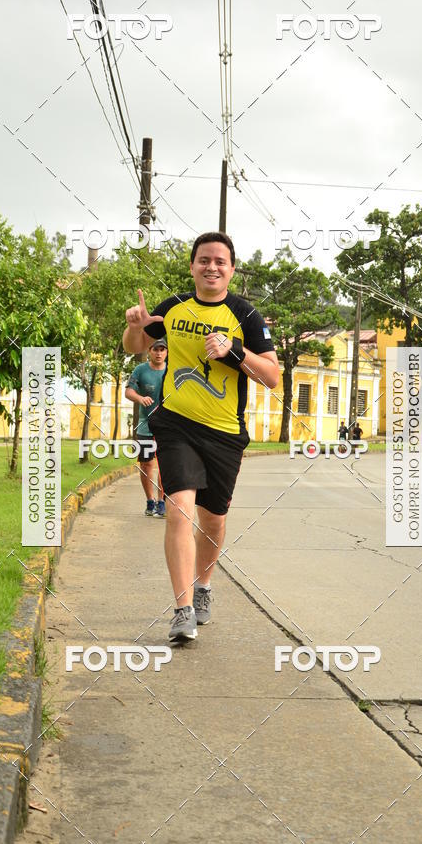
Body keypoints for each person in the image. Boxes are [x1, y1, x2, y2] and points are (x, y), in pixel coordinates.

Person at [123, 232, 279, 642]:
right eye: (204, 260)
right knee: (179, 510)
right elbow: (136, 346)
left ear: (231, 269)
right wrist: (136, 327)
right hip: (175, 424)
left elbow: (273, 377)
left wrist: (236, 352)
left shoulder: (246, 316)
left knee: (213, 519)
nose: (212, 267)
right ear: (192, 266)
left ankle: (204, 585)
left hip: (225, 432)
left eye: (220, 261)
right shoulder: (172, 308)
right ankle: (182, 607)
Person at [124, 339, 168, 517]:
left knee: (165, 466)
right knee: (146, 464)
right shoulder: (140, 370)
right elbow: (129, 391)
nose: (159, 353)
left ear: (166, 352)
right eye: (155, 349)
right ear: (149, 351)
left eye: (162, 350)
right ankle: (150, 501)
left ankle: (162, 502)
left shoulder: (171, 370)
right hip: (145, 426)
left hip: (167, 426)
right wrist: (140, 398)